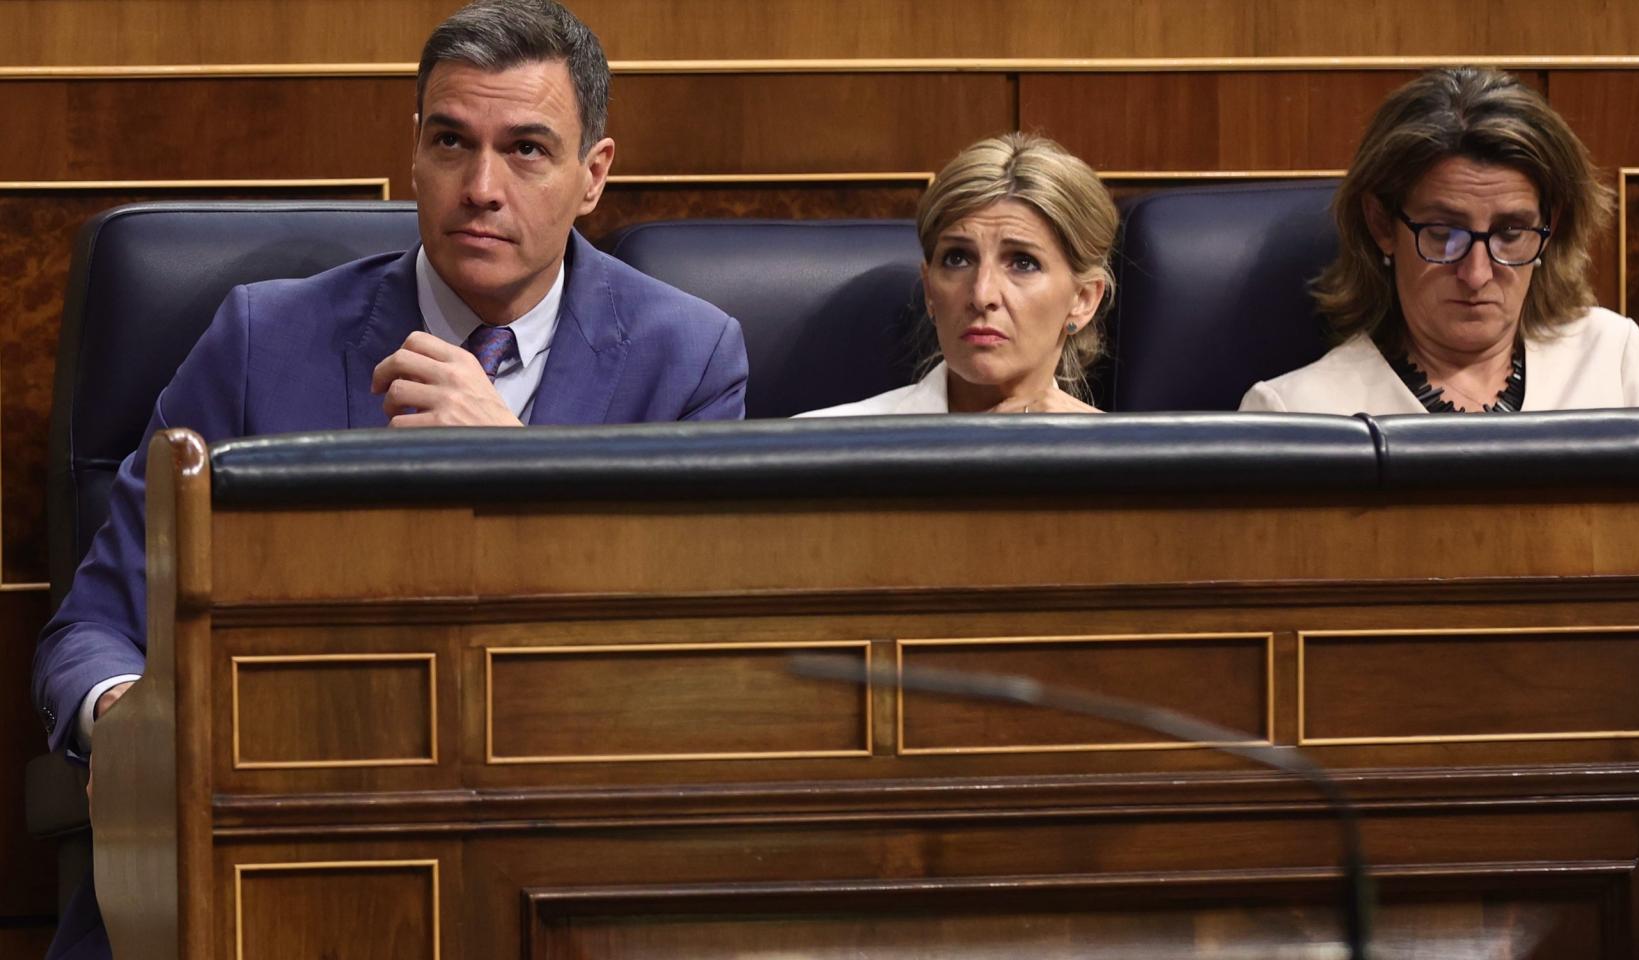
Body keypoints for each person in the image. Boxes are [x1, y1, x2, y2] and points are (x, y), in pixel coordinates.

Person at [34, 1, 746, 956]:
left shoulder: (688, 359)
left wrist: (521, 466)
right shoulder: (259, 341)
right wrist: (126, 723)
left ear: (593, 175)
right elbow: (95, 625)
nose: (481, 187)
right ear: (413, 151)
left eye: (527, 150)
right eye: (451, 141)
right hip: (279, 830)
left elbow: (691, 663)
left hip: (552, 851)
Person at [1239, 67, 1639, 415]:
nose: (1476, 274)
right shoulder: (1295, 412)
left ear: (1550, 227)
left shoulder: (1612, 360)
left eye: (1510, 234)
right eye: (1444, 234)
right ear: (1382, 225)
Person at [797, 132, 1117, 417]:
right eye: (958, 259)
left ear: (1083, 299)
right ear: (929, 290)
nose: (982, 295)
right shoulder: (818, 446)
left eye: (1023, 263)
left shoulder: (1119, 457)